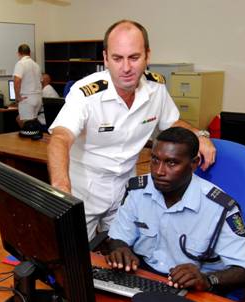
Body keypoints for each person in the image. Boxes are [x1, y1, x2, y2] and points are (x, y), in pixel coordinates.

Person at [48, 20, 216, 240]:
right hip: (82, 191)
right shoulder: (86, 93)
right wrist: (61, 189)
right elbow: (60, 137)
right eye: (117, 58)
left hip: (126, 191)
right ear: (106, 58)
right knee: (74, 255)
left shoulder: (156, 88)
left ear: (147, 55)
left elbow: (172, 122)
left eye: (134, 57)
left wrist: (199, 135)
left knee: (122, 252)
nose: (126, 68)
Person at [105, 127, 245, 293]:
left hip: (192, 289)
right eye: (155, 160)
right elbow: (118, 237)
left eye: (172, 163)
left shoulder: (220, 208)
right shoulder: (137, 190)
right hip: (143, 278)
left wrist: (208, 280)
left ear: (194, 164)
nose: (159, 171)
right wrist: (120, 249)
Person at [13, 44, 42, 127]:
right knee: (30, 122)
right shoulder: (36, 65)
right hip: (38, 98)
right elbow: (41, 81)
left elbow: (17, 81)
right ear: (30, 53)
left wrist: (17, 97)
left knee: (27, 125)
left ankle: (28, 138)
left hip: (27, 98)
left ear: (18, 53)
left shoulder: (20, 63)